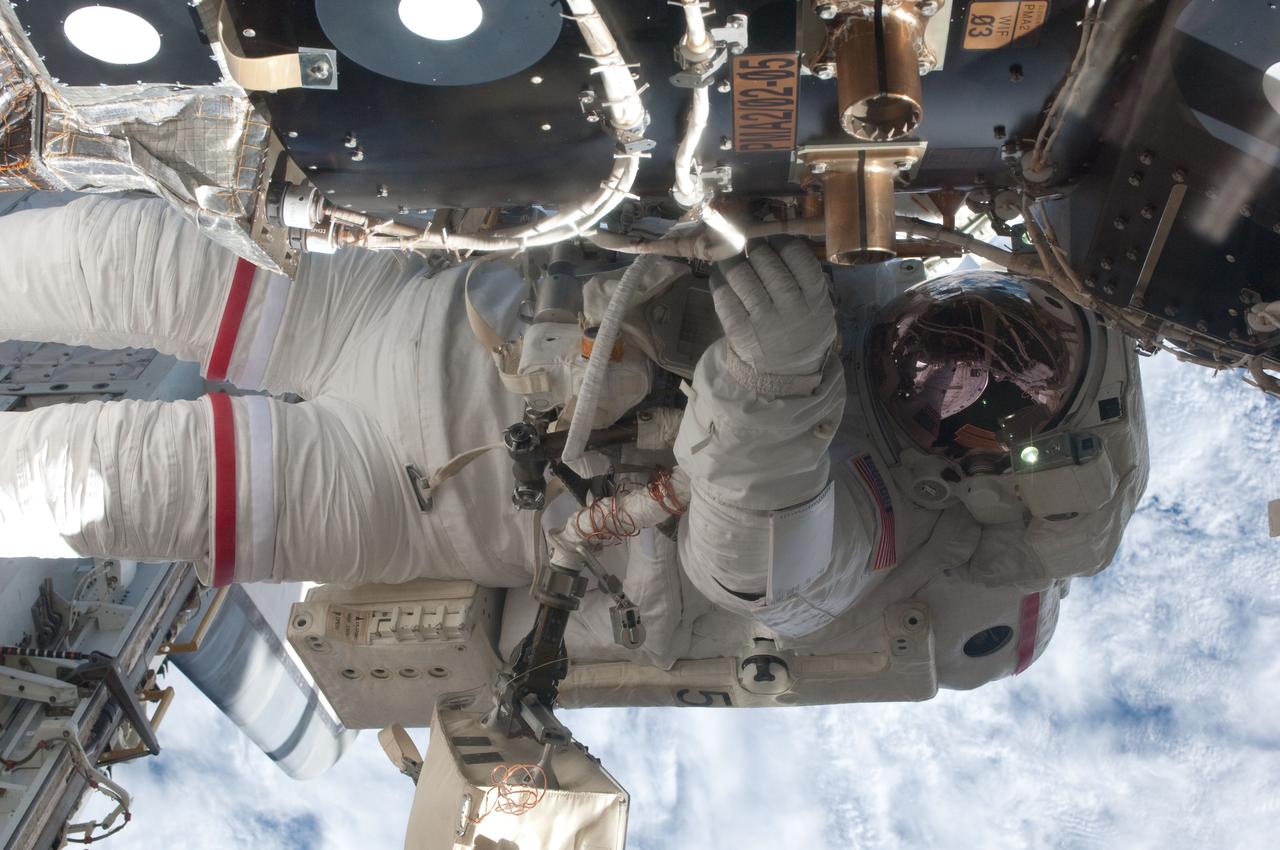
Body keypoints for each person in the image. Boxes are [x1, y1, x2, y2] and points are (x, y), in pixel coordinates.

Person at [0, 195, 1148, 680]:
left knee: (81, 482)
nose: (962, 358)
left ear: (979, 470)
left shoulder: (876, 522)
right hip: (399, 307)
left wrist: (777, 394)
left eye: (993, 394)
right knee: (112, 257)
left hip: (404, 489)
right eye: (1004, 327)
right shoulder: (863, 259)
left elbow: (760, 567)